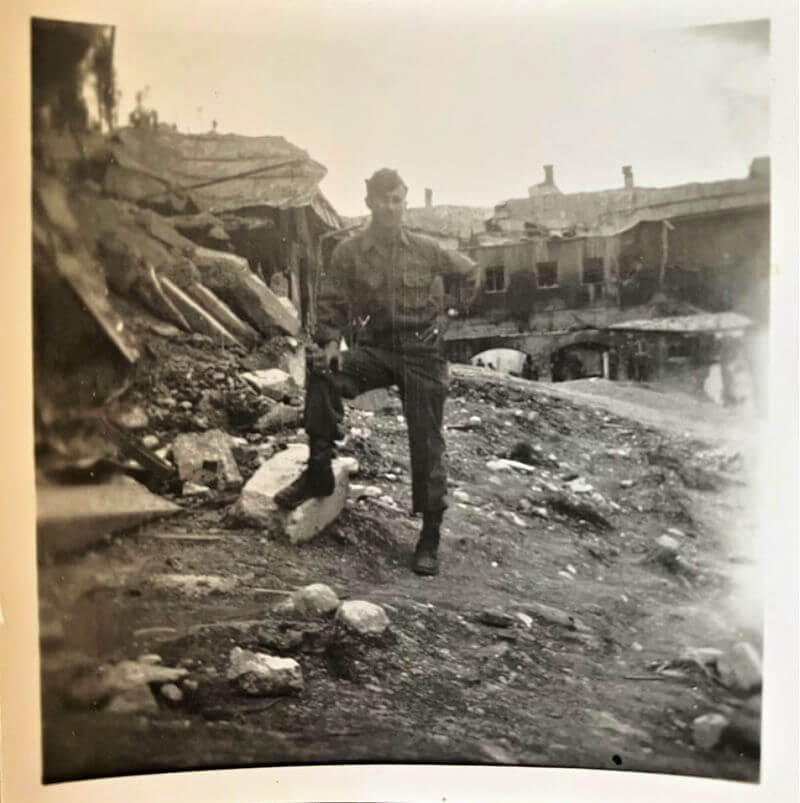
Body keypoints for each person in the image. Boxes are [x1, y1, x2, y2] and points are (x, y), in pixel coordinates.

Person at [274, 168, 479, 576]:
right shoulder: (348, 251)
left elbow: (469, 272)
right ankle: (318, 473)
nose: (391, 207)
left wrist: (450, 315)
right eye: (383, 199)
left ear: (405, 203)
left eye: (397, 199)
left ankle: (430, 535)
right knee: (322, 371)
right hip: (377, 350)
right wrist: (331, 344)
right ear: (369, 203)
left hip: (421, 352)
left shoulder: (426, 248)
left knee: (427, 440)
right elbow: (330, 302)